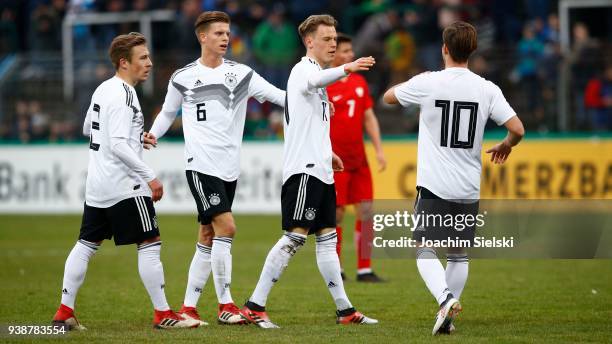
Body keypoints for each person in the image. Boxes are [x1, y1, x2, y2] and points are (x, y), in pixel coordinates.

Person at [383, 21, 524, 335]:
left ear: (444, 49)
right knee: (458, 254)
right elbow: (517, 129)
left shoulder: (429, 82)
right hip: (468, 186)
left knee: (423, 247)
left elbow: (389, 98)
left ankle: (445, 299)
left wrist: (413, 83)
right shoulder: (487, 88)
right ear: (472, 51)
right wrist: (505, 145)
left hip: (435, 184)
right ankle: (447, 315)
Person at [144, 11, 285, 325]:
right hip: (200, 164)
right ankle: (226, 305)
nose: (225, 38)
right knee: (228, 228)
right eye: (219, 33)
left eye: (227, 33)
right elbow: (168, 113)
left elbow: (279, 96)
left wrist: (313, 98)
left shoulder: (242, 74)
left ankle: (189, 308)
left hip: (229, 167)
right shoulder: (182, 76)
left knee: (208, 233)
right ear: (202, 36)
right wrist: (154, 132)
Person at [51, 33, 199, 330]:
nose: (149, 63)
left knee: (86, 244)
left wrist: (133, 137)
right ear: (124, 62)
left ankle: (64, 312)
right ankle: (163, 314)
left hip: (98, 184)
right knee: (149, 242)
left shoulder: (103, 89)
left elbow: (88, 128)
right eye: (142, 58)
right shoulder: (124, 93)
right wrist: (150, 177)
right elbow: (117, 145)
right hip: (125, 184)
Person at [240, 14, 378, 329]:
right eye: (327, 39)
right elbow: (314, 82)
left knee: (327, 239)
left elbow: (305, 123)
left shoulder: (318, 78)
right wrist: (347, 68)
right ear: (309, 42)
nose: (333, 44)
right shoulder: (304, 70)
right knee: (294, 237)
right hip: (303, 172)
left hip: (321, 170)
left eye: (334, 38)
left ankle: (345, 311)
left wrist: (328, 154)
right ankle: (254, 305)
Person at [326, 33, 386, 282]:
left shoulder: (360, 82)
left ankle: (364, 269)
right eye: (346, 51)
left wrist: (379, 149)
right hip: (336, 162)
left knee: (367, 210)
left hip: (359, 159)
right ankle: (337, 268)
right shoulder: (324, 85)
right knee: (337, 214)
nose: (351, 55)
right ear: (334, 54)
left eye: (351, 51)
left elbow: (369, 117)